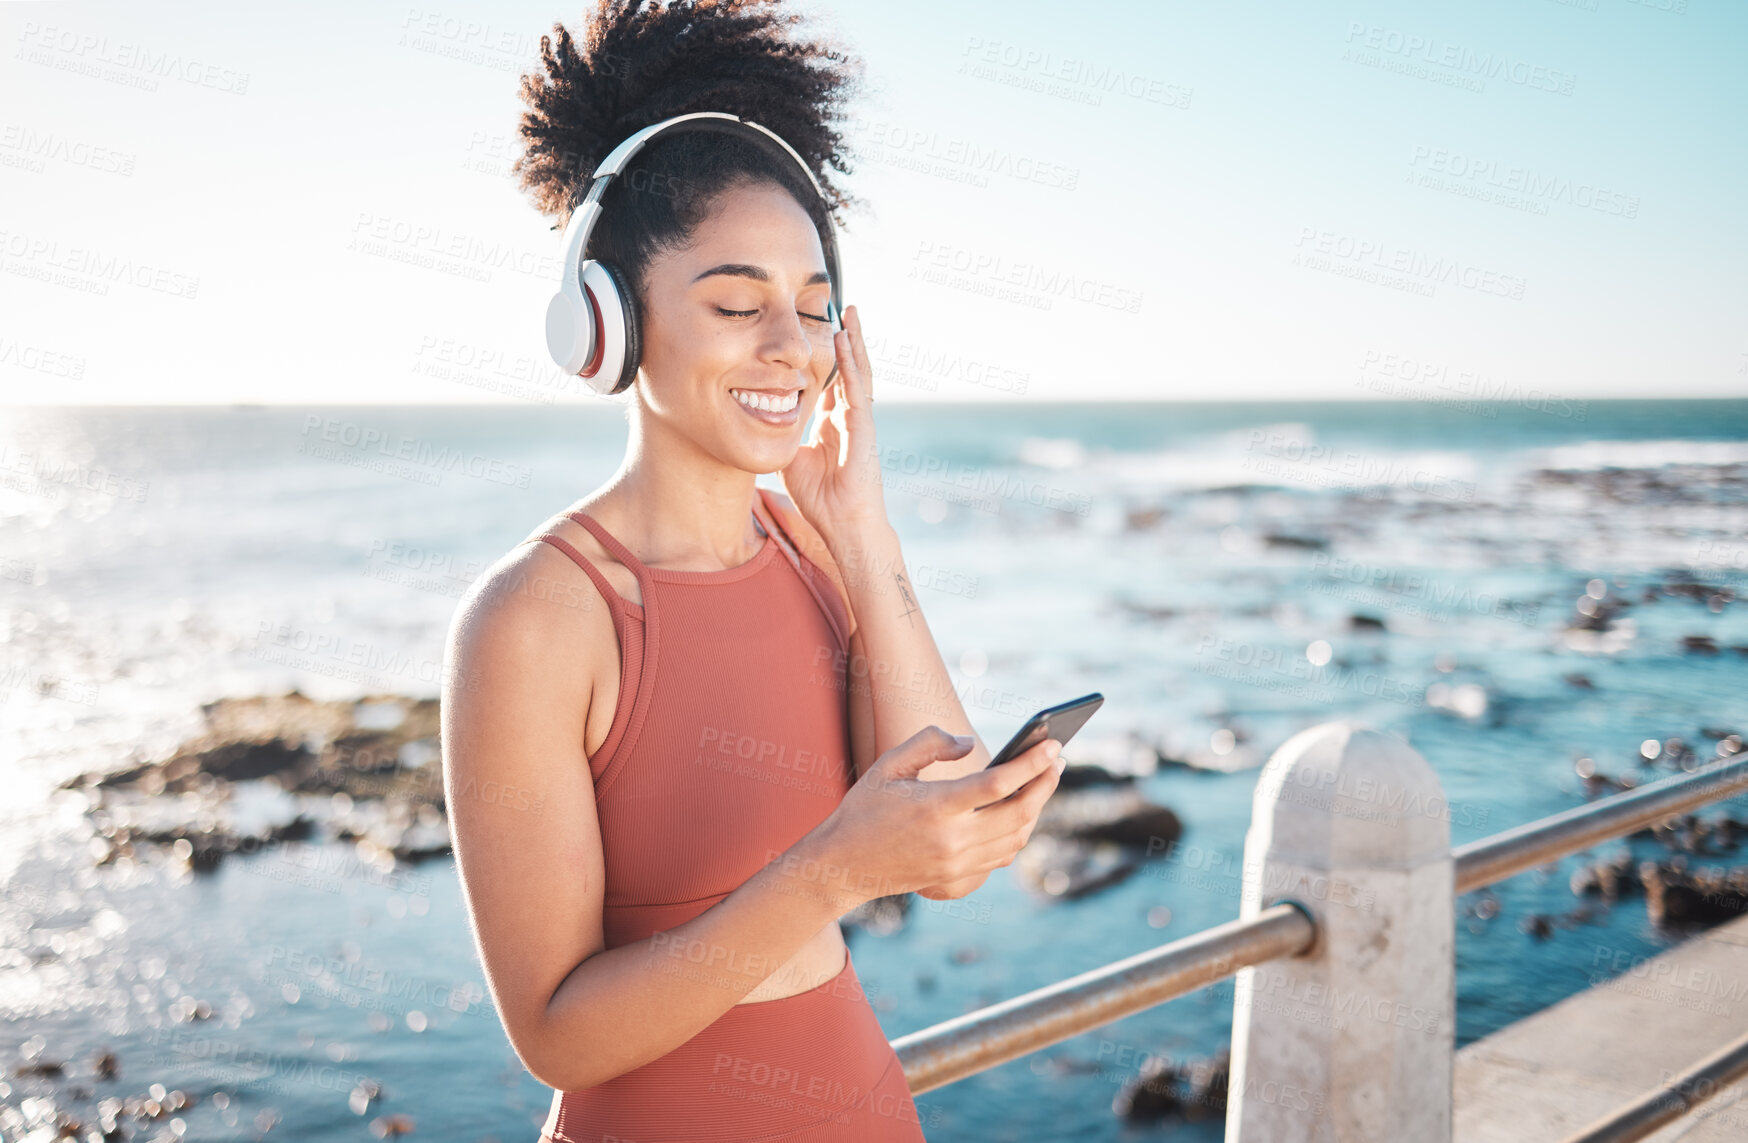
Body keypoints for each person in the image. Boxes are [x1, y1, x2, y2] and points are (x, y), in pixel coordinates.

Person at [440, 2, 1068, 1139]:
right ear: (608, 324)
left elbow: (946, 863)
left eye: (816, 310)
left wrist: (865, 537)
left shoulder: (821, 557)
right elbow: (556, 1033)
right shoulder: (537, 618)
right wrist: (826, 874)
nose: (790, 344)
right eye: (737, 304)